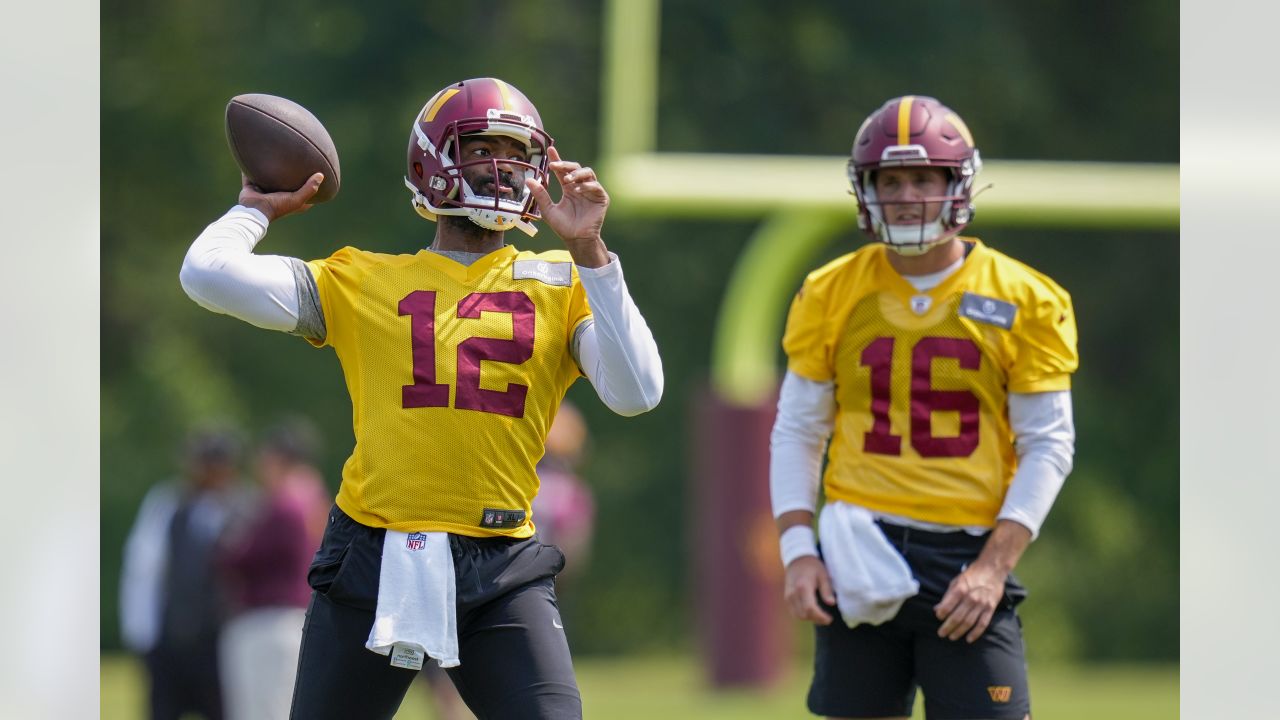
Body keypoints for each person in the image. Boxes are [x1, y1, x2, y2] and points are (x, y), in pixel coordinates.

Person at [179, 77, 663, 720]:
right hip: (372, 553)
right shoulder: (363, 280)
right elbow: (205, 273)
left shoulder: (563, 281)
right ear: (430, 163)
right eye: (481, 147)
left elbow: (637, 393)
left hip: (500, 564)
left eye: (516, 152)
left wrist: (592, 252)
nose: (502, 168)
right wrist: (258, 207)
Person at [769, 95, 1078, 720]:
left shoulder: (1026, 298)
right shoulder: (830, 291)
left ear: (956, 184)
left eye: (922, 177)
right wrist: (799, 551)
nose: (906, 195)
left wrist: (994, 567)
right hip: (858, 550)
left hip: (966, 557)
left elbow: (1049, 443)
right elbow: (798, 430)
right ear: (867, 190)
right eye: (890, 179)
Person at [120, 427, 249, 720]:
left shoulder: (246, 507)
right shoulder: (167, 503)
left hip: (221, 637)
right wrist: (141, 631)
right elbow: (143, 570)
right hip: (172, 637)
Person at [217, 418, 330, 720]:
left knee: (260, 711)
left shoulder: (283, 504)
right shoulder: (314, 498)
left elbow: (239, 558)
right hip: (299, 614)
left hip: (268, 620)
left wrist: (229, 547)